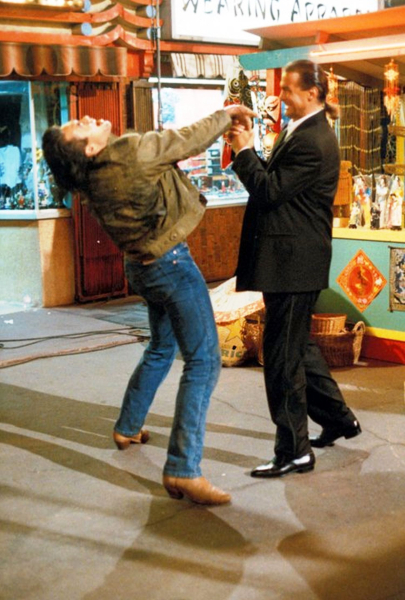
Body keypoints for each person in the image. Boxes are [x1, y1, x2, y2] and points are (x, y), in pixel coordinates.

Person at [42, 104, 256, 504]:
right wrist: (226, 114)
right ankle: (183, 469)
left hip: (140, 266)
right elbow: (189, 139)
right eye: (79, 126)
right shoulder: (132, 154)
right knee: (204, 362)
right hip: (171, 265)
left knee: (161, 347)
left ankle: (127, 425)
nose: (86, 118)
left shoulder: (91, 179)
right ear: (90, 149)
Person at [228, 59, 361, 478]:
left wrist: (245, 150)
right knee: (298, 347)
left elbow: (269, 191)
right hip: (293, 261)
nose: (280, 95)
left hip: (293, 264)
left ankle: (294, 451)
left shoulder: (313, 139)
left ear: (312, 93)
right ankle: (339, 419)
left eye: (287, 89)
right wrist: (251, 149)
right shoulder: (301, 129)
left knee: (282, 359)